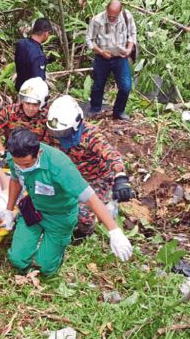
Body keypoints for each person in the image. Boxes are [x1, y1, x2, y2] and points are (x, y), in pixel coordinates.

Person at [0, 128, 133, 276]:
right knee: (17, 259)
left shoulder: (60, 166)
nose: (22, 168)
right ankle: (28, 268)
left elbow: (91, 198)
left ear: (39, 153)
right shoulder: (14, 157)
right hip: (33, 209)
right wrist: (9, 210)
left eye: (27, 164)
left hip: (60, 216)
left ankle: (54, 255)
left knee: (45, 268)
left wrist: (114, 231)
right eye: (19, 165)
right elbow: (15, 179)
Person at [45, 95, 135, 237]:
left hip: (97, 180)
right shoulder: (54, 133)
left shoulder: (90, 135)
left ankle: (84, 233)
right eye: (57, 133)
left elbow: (111, 154)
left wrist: (121, 177)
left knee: (83, 214)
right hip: (69, 177)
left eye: (64, 132)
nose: (60, 137)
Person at [85, 0, 137, 121]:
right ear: (106, 10)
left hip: (120, 58)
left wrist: (129, 49)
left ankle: (119, 112)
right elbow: (89, 40)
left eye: (115, 16)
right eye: (110, 16)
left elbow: (133, 34)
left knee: (125, 86)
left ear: (120, 12)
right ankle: (95, 109)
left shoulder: (126, 16)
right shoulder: (97, 20)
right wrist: (100, 51)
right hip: (102, 57)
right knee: (98, 85)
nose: (112, 18)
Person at [0, 77, 49, 159]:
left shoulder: (47, 117)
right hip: (12, 157)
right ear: (22, 101)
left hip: (37, 158)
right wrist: (2, 153)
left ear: (42, 104)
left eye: (35, 105)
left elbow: (52, 143)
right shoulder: (10, 111)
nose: (30, 108)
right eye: (27, 103)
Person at [14, 18, 53, 91]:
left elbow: (26, 61)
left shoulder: (21, 44)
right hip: (30, 95)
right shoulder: (38, 55)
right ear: (46, 33)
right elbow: (38, 81)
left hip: (20, 89)